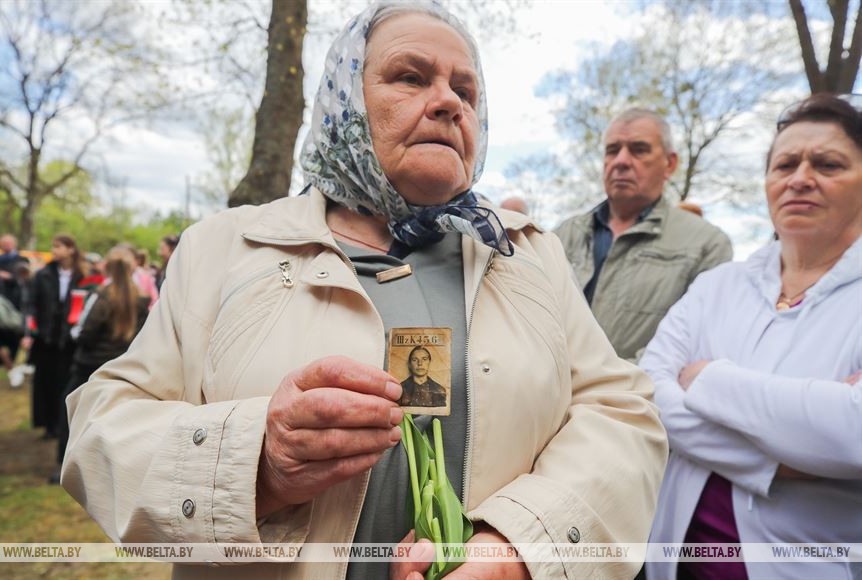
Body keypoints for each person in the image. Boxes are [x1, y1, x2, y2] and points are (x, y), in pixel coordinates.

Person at [63, 4, 668, 579]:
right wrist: (258, 461)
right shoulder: (225, 248)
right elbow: (102, 430)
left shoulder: (528, 254)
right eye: (410, 77)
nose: (448, 104)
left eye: (467, 91)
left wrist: (519, 550)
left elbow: (623, 418)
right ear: (344, 99)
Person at [640, 94, 862, 579]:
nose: (800, 178)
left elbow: (854, 435)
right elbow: (647, 396)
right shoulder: (718, 285)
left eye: (828, 164)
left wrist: (705, 380)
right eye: (785, 164)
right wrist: (785, 458)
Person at [553, 109, 733, 361]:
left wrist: (607, 386)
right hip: (548, 392)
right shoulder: (562, 236)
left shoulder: (707, 244)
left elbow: (696, 343)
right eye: (612, 150)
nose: (621, 161)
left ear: (670, 164)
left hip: (635, 397)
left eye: (639, 150)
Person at [51, 246, 150, 483]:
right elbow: (142, 335)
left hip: (90, 366)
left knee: (73, 415)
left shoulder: (103, 296)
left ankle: (66, 466)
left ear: (107, 267)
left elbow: (88, 332)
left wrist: (79, 337)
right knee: (111, 418)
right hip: (119, 366)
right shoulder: (140, 299)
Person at [23, 234, 84, 438]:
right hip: (46, 338)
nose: (54, 250)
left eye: (58, 246)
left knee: (65, 382)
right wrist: (30, 333)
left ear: (70, 249)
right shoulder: (43, 275)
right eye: (53, 246)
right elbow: (31, 305)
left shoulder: (82, 276)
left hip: (70, 340)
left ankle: (63, 425)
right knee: (45, 382)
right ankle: (49, 425)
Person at [0, 234, 30, 386]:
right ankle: (11, 369)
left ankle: (18, 367)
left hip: (16, 306)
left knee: (17, 337)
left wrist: (10, 277)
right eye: (3, 243)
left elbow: (25, 280)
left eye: (8, 242)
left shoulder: (22, 260)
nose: (6, 245)